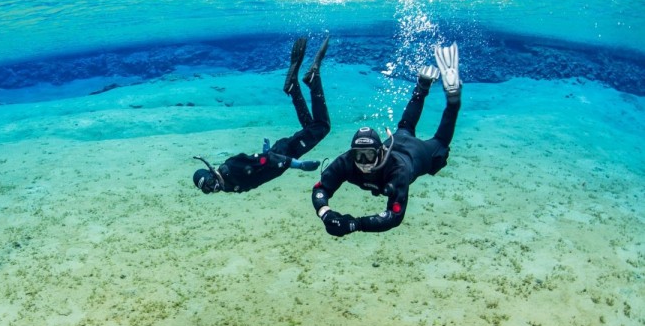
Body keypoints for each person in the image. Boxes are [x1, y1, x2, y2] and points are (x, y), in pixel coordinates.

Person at [311, 43, 462, 237]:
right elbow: (320, 188)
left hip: (416, 154)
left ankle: (452, 100)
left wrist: (355, 224)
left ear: (381, 152)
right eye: (359, 155)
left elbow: (395, 216)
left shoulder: (397, 172)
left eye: (369, 155)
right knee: (405, 126)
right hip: (399, 139)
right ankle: (422, 86)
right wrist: (325, 212)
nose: (363, 162)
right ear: (352, 153)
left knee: (440, 143)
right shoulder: (347, 161)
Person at [192, 35, 331, 194]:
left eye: (209, 182)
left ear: (211, 173)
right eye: (207, 190)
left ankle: (312, 79)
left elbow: (267, 161)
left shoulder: (231, 169)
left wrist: (298, 165)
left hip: (284, 152)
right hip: (280, 153)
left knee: (322, 126)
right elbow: (258, 164)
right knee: (312, 127)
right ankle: (294, 88)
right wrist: (266, 152)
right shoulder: (228, 183)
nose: (213, 188)